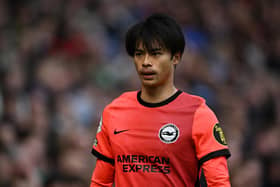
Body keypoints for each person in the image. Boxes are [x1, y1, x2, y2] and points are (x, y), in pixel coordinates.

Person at [90, 13, 231, 187]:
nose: (146, 62)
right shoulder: (114, 111)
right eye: (139, 54)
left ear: (176, 57)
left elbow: (218, 183)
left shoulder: (199, 114)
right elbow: (100, 182)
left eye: (156, 54)